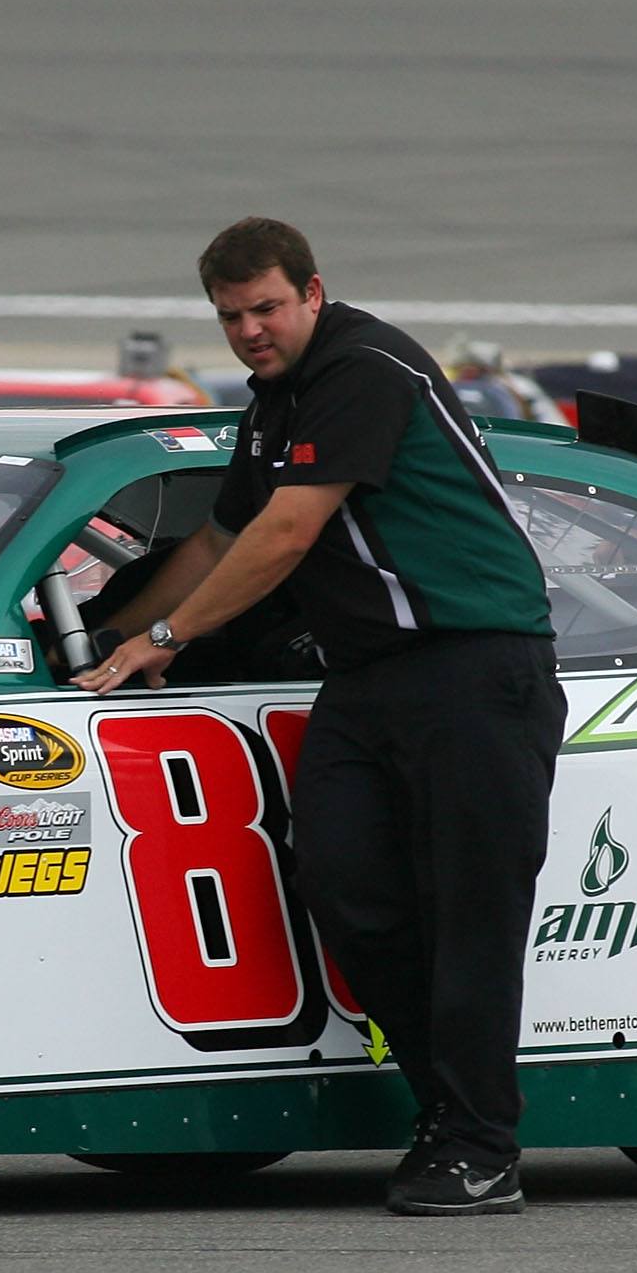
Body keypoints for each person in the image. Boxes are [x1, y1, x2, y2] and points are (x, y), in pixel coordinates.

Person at [82, 217, 562, 1216]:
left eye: (266, 307)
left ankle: (482, 1143)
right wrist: (92, 642)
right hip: (372, 677)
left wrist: (166, 637)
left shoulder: (362, 365)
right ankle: (448, 1111)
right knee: (344, 884)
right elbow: (222, 538)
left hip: (476, 668)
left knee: (468, 917)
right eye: (230, 316)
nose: (251, 329)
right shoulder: (274, 402)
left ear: (312, 291)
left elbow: (287, 534)